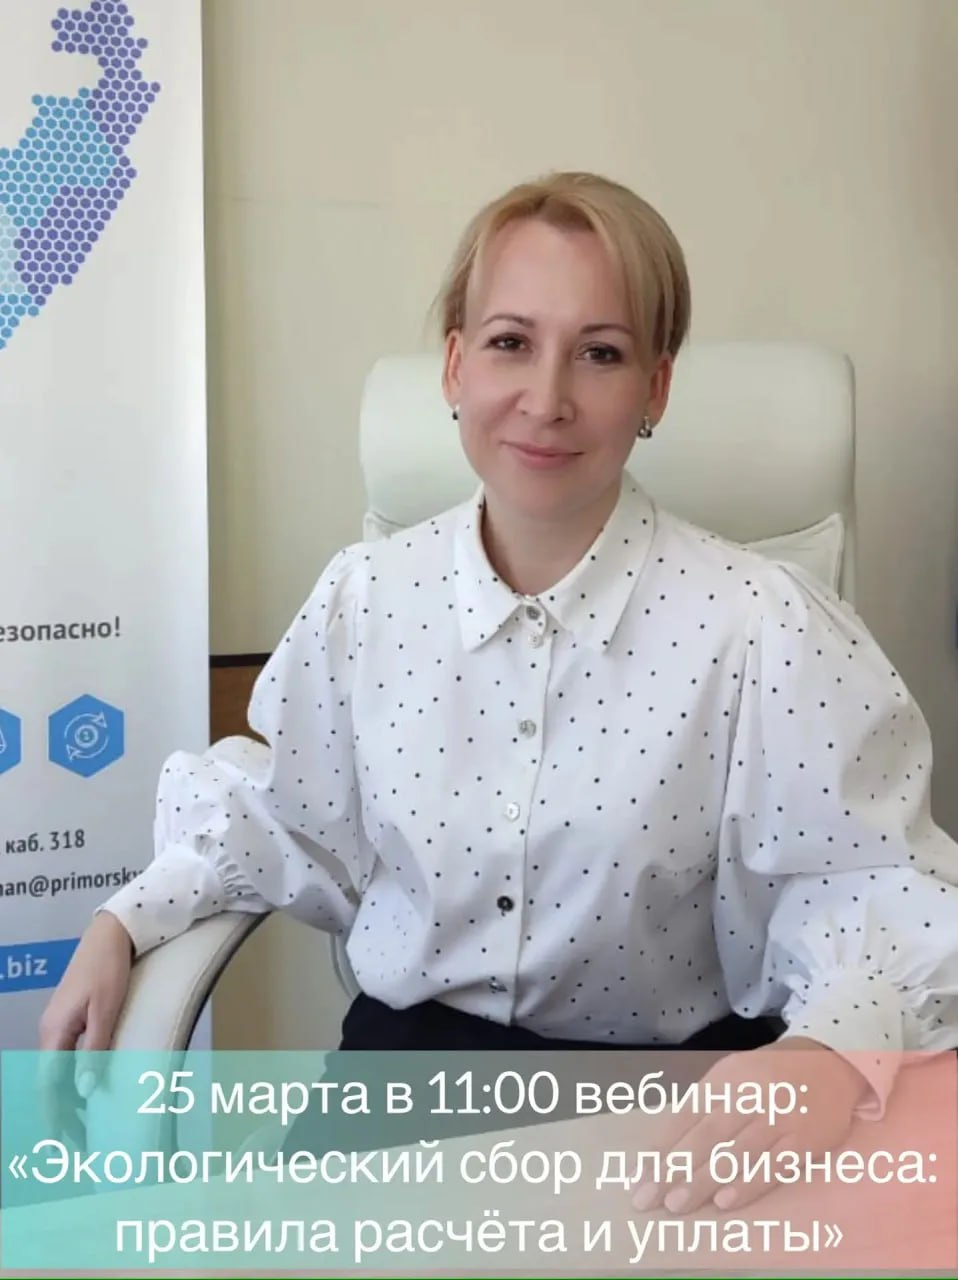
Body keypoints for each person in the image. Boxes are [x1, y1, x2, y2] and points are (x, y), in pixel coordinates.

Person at [40, 170, 958, 1212]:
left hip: (670, 1103)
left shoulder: (762, 625)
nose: (547, 397)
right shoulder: (365, 600)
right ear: (455, 364)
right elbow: (283, 813)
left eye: (600, 353)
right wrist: (125, 920)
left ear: (656, 389)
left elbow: (866, 879)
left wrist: (831, 1051)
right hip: (403, 1085)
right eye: (511, 341)